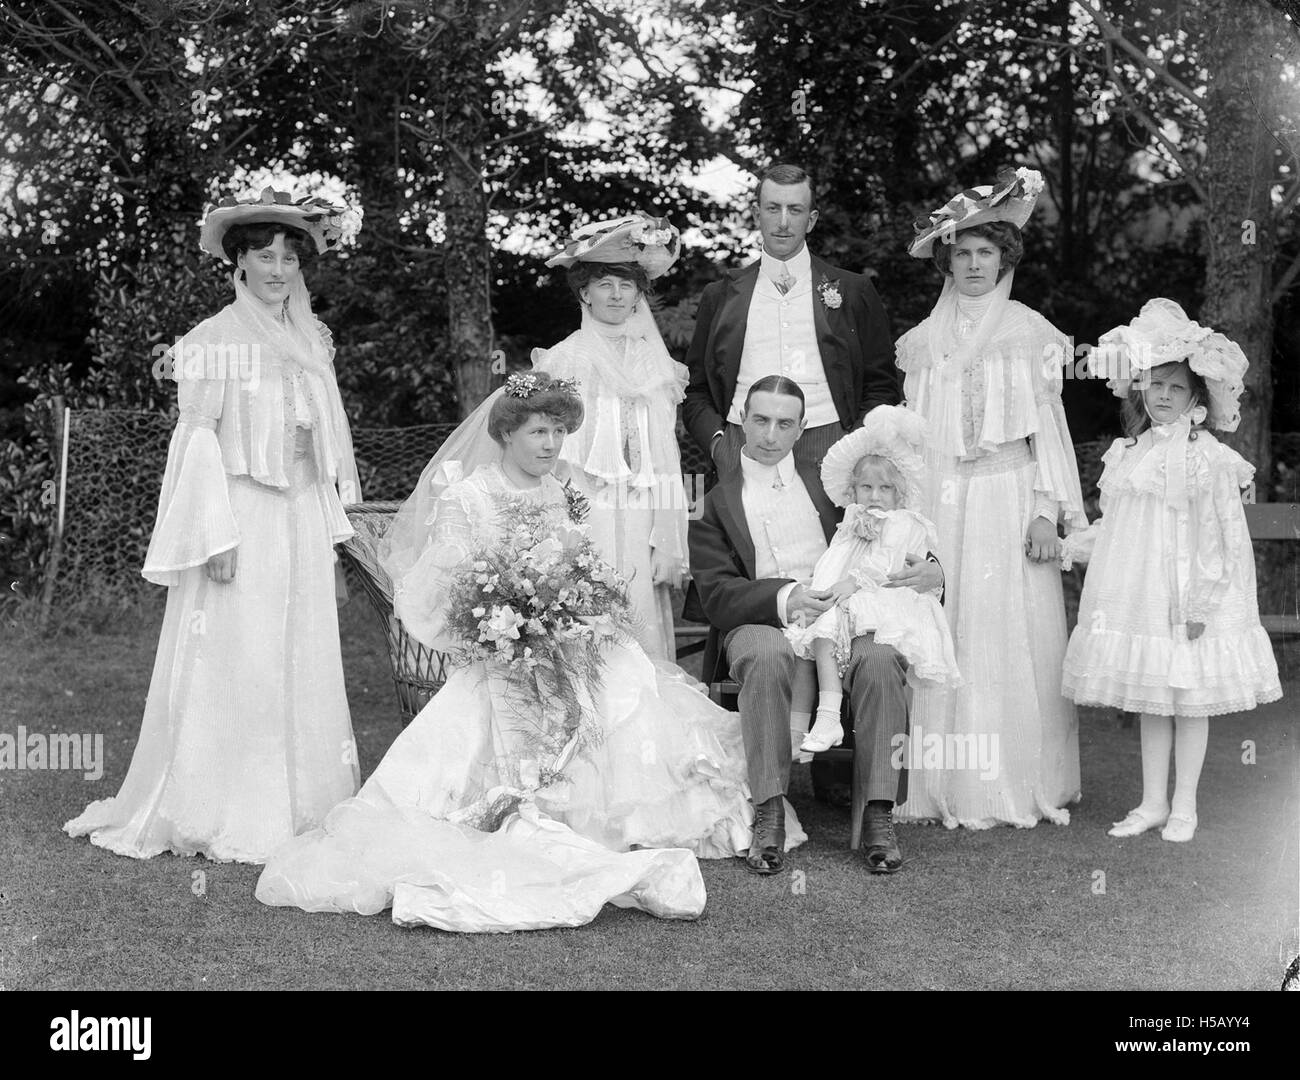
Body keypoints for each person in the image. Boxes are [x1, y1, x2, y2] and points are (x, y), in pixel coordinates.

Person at [256, 373, 805, 932]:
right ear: (506, 433)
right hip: (498, 649)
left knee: (629, 679)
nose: (551, 444)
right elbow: (444, 591)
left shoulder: (560, 492)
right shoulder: (468, 496)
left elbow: (576, 564)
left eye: (560, 432)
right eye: (539, 431)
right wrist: (508, 620)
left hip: (566, 639)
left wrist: (576, 606)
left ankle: (626, 813)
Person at [64, 187, 363, 863]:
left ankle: (302, 803)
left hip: (300, 514)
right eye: (265, 255)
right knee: (243, 654)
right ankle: (226, 805)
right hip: (242, 514)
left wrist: (333, 519)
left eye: (291, 255)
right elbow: (197, 440)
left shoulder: (312, 339)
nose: (280, 269)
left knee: (299, 651)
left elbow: (325, 438)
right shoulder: (213, 340)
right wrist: (213, 536)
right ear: (240, 262)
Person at [392, 213, 689, 662]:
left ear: (638, 295)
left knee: (640, 624)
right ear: (584, 291)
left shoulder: (656, 366)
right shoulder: (567, 359)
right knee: (587, 617)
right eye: (604, 283)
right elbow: (542, 448)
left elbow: (666, 457)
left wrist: (668, 539)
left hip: (641, 508)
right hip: (583, 509)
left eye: (626, 285)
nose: (615, 295)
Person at [894, 167, 1088, 830]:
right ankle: (940, 782)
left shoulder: (1029, 332)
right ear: (947, 262)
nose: (974, 264)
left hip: (1010, 495)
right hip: (946, 500)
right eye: (963, 254)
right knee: (944, 626)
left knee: (1012, 630)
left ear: (1006, 259)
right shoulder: (924, 343)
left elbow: (1050, 432)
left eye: (986, 253)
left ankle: (1016, 779)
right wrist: (909, 520)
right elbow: (914, 440)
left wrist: (1046, 509)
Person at [688, 376, 943, 875]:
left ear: (802, 427)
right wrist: (786, 597)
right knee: (767, 653)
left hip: (850, 610)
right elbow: (716, 593)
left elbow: (895, 528)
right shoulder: (713, 499)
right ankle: (767, 811)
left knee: (881, 657)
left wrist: (932, 569)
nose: (770, 434)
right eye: (760, 420)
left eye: (785, 423)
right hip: (762, 618)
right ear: (741, 419)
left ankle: (878, 812)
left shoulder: (833, 484)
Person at [1060, 299, 1281, 842]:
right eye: (1155, 384)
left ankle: (1185, 805)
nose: (1162, 395)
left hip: (1192, 596)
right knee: (1153, 699)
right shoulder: (1128, 452)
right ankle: (1153, 801)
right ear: (1140, 387)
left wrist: (1202, 602)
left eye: (1175, 387)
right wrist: (1075, 545)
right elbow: (1116, 524)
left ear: (1196, 398)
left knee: (1190, 699)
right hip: (1143, 594)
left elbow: (1220, 534)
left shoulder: (1208, 458)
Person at [683, 163, 900, 478]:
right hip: (740, 448)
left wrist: (855, 445)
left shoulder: (854, 291)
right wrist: (719, 445)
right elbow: (697, 388)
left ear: (811, 220)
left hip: (830, 449)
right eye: (773, 208)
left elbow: (881, 384)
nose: (783, 222)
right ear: (757, 215)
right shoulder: (720, 295)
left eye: (795, 210)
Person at [786, 406, 960, 755]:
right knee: (805, 646)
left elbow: (884, 565)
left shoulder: (902, 522)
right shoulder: (853, 520)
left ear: (900, 494)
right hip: (844, 593)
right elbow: (834, 558)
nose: (875, 496)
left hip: (881, 599)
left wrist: (848, 586)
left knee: (824, 630)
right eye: (866, 487)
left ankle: (829, 715)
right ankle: (795, 738)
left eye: (885, 489)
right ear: (853, 489)